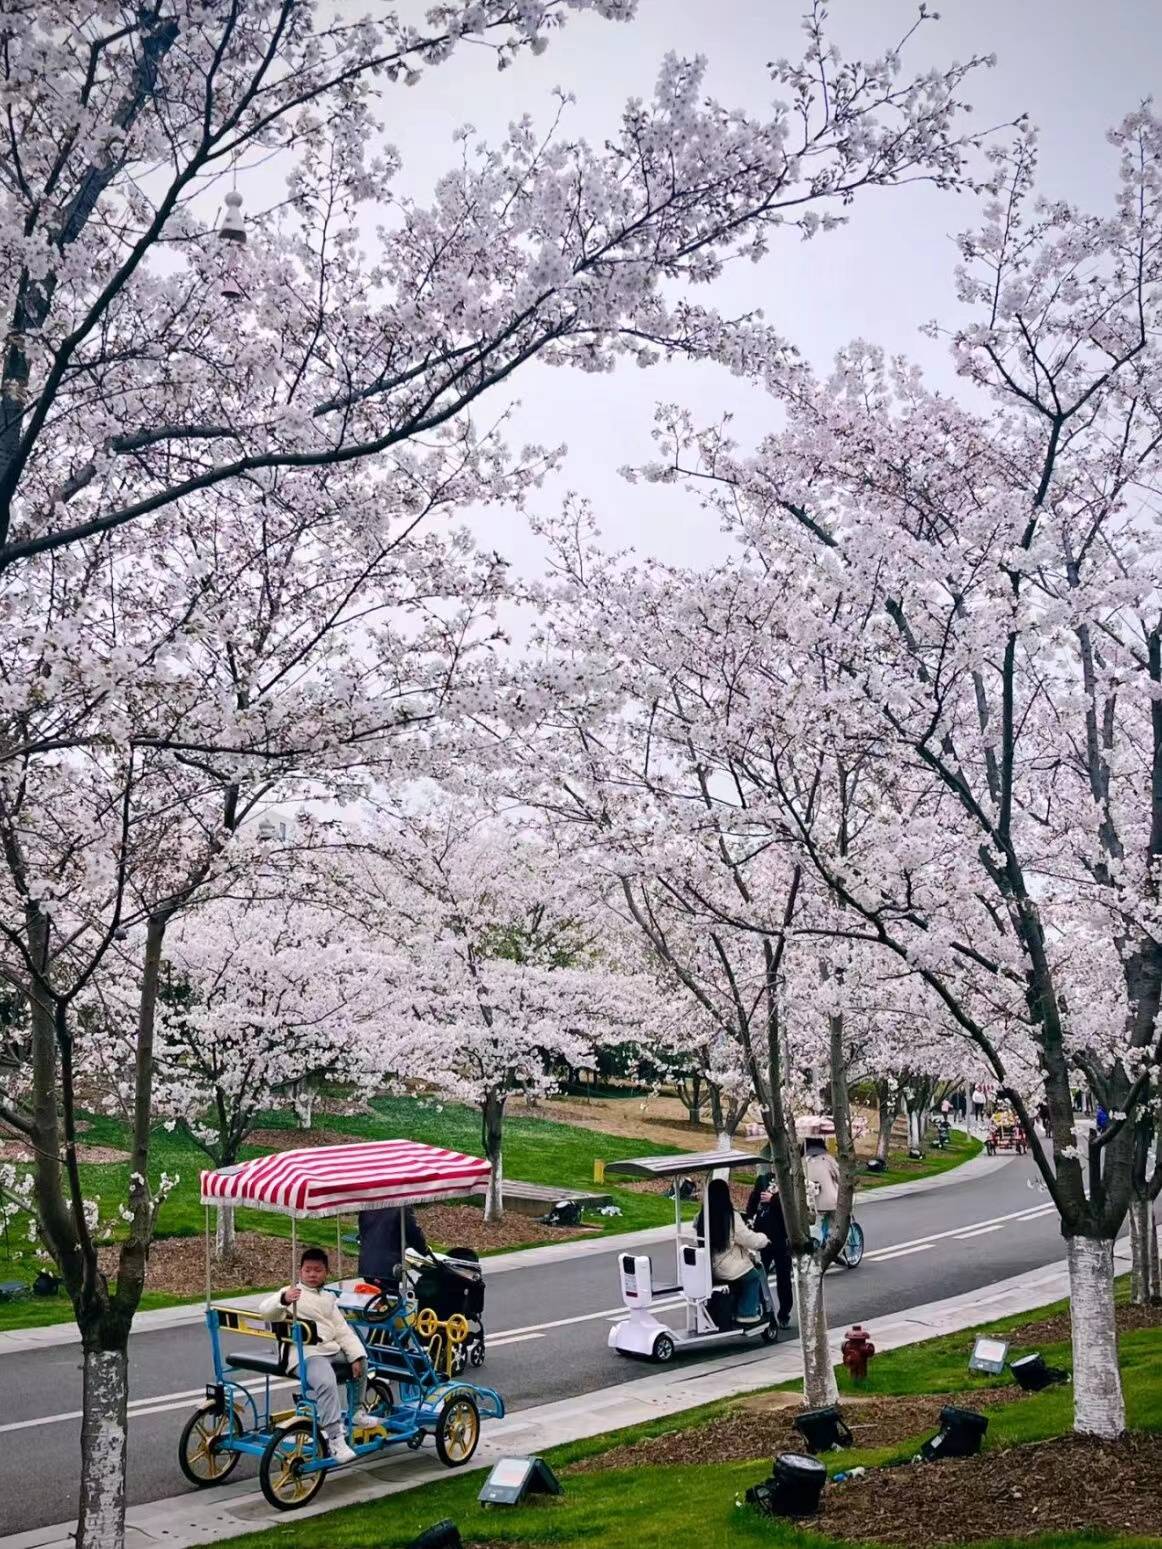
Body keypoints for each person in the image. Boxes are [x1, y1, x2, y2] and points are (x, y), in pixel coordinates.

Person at [258, 1246, 375, 1465]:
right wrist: (283, 1299)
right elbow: (265, 1311)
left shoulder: (329, 1298)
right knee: (326, 1381)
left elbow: (342, 1330)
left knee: (363, 1358)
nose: (312, 1275)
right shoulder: (292, 1294)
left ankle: (357, 1410)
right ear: (300, 1271)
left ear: (326, 1272)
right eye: (308, 1270)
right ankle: (335, 1438)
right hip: (304, 1355)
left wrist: (356, 1356)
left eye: (318, 1270)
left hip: (330, 1350)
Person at [695, 1177, 770, 1324]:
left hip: (710, 1265)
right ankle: (746, 1313)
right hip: (726, 1266)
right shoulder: (730, 1216)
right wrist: (764, 1239)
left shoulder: (702, 1216)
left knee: (744, 1272)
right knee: (753, 1276)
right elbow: (748, 1239)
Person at [744, 1167, 793, 1327]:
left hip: (781, 1237)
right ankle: (763, 1310)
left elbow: (791, 1207)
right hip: (763, 1236)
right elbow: (752, 1205)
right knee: (759, 1274)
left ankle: (784, 1313)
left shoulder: (790, 1182)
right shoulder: (763, 1180)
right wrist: (750, 1221)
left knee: (783, 1277)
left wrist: (774, 1199)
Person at [358, 1203, 430, 1289]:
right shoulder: (401, 1206)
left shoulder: (368, 1206)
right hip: (389, 1267)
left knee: (376, 1298)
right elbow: (413, 1234)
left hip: (367, 1266)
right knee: (391, 1298)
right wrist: (424, 1250)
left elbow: (363, 1231)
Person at [803, 1135, 841, 1239]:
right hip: (831, 1202)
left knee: (819, 1221)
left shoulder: (805, 1162)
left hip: (812, 1202)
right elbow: (840, 1177)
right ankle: (833, 1241)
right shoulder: (827, 1159)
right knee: (836, 1220)